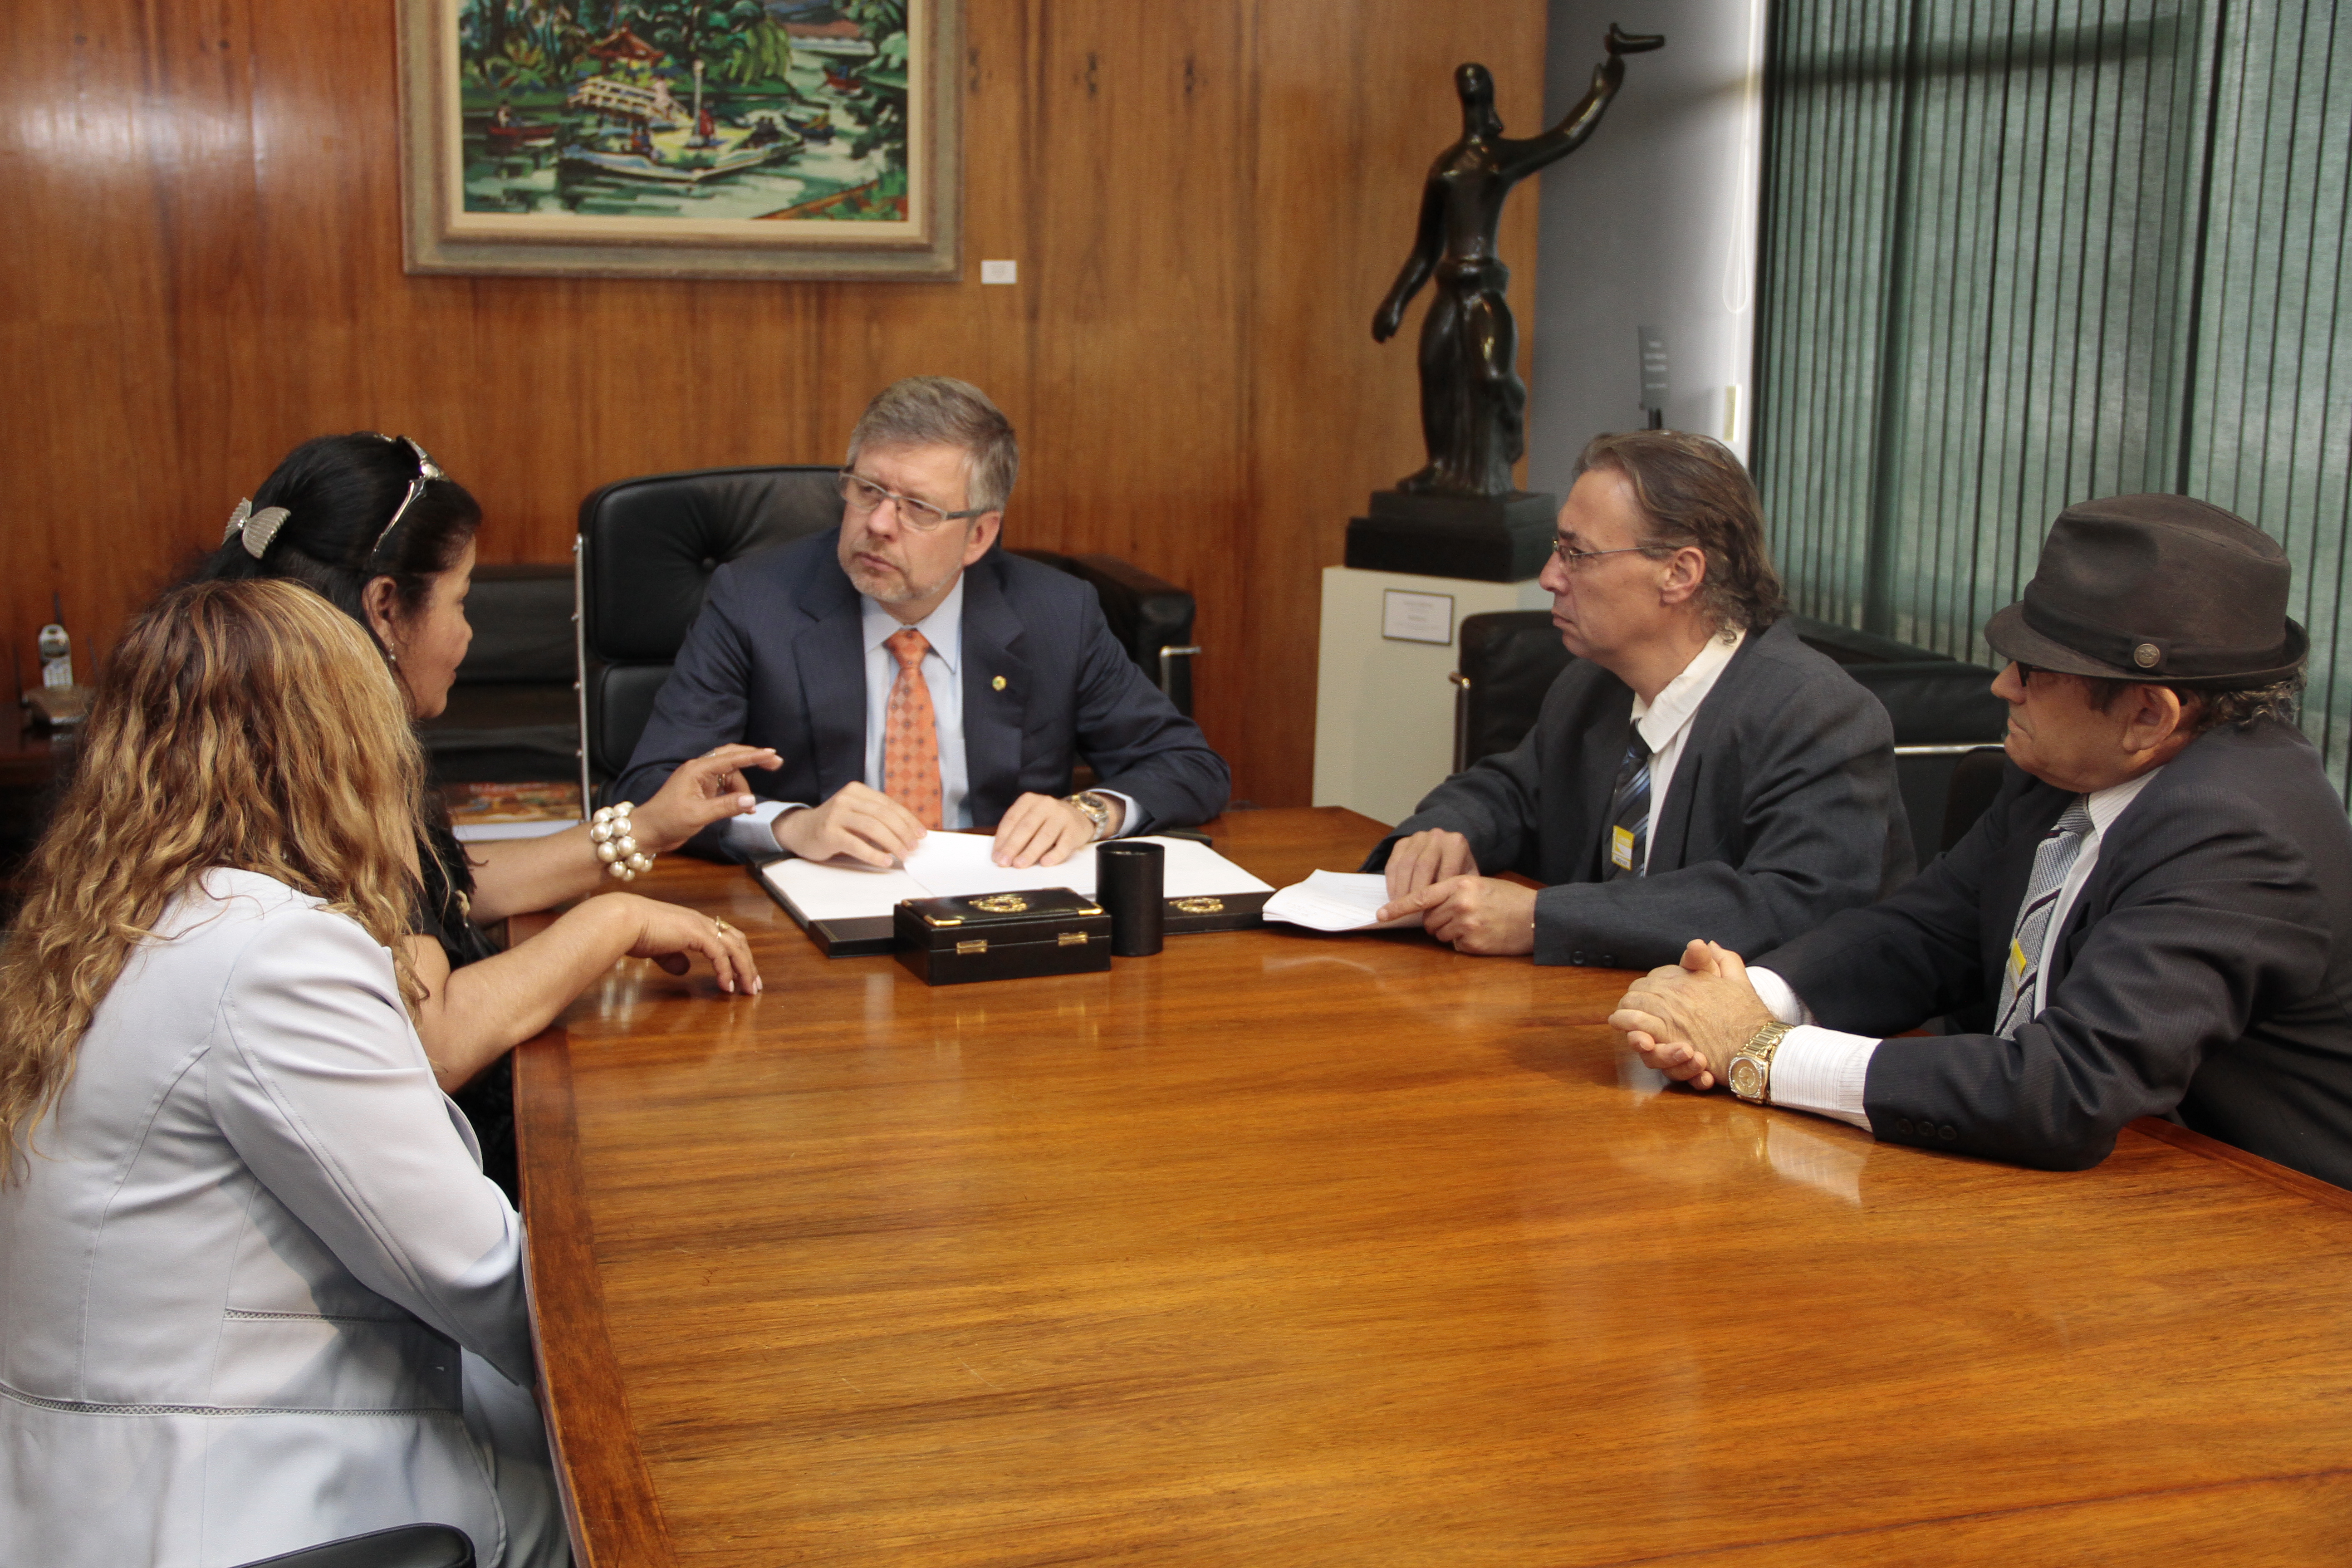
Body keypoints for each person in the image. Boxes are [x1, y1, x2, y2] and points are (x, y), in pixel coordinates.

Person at [0, 580, 566, 1566]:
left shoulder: (97, 919)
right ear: (336, 750)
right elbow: (481, 1278)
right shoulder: (268, 956)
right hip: (246, 1503)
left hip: (84, 1485)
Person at [1611, 495, 2352, 1188]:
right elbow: (1923, 932)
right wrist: (1742, 999)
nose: (2001, 686)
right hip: (2092, 1192)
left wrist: (1759, 1052)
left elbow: (2066, 1087)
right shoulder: (2066, 766)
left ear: (2148, 717)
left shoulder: (2239, 841)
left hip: (2265, 1229)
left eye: (2031, 671)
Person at [194, 433, 767, 1196]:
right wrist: (615, 923)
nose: (469, 634)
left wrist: (649, 826)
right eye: (462, 601)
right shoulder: (309, 780)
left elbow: (443, 890)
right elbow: (438, 1040)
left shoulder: (263, 720)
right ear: (386, 608)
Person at [618, 376, 1231, 868]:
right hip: (816, 911)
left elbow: (1189, 765)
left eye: (917, 508)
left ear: (979, 535)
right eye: (866, 491)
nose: (880, 524)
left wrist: (1089, 813)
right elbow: (647, 790)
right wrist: (790, 825)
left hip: (999, 907)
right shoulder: (755, 602)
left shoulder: (1056, 615)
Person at [1366, 429, 1912, 967]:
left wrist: (1542, 918)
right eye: (1559, 548)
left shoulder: (1815, 713)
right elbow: (1511, 790)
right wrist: (1444, 832)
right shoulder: (1592, 686)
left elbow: (1786, 906)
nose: (1550, 576)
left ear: (1679, 573)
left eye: (1577, 554)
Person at [1372, 26, 1662, 497]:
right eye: (1465, 87)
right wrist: (1396, 303)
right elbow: (1425, 249)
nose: (1471, 93)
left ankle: (1509, 432)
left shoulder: (1499, 159)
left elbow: (1567, 136)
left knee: (1491, 374)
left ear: (1486, 97)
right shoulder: (1445, 168)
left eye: (1477, 86)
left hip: (1484, 291)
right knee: (1435, 372)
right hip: (1450, 289)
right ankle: (1440, 466)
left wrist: (1601, 91)